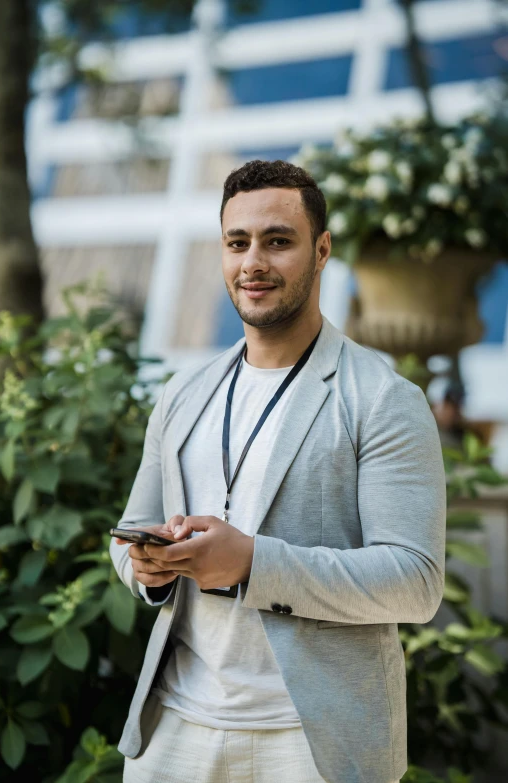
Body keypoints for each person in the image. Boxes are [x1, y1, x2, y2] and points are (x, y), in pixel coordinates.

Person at [109, 159, 446, 783]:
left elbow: (416, 581)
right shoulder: (184, 392)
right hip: (175, 730)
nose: (253, 263)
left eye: (277, 241)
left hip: (312, 741)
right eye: (237, 243)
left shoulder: (382, 397)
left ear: (321, 251)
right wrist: (148, 566)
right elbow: (131, 528)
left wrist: (252, 563)